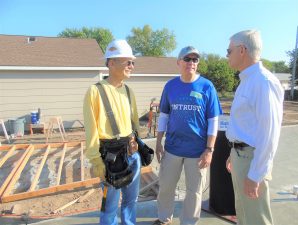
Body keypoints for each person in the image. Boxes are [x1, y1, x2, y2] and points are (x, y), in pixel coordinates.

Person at [153, 46, 223, 225]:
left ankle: (189, 222)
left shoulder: (207, 86)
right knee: (166, 187)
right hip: (172, 148)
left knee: (194, 191)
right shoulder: (170, 86)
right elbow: (164, 116)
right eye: (187, 59)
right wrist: (159, 142)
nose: (191, 63)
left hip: (198, 151)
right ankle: (163, 219)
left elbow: (213, 120)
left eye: (195, 59)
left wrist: (209, 149)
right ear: (178, 62)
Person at [225, 30, 284, 225]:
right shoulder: (248, 80)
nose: (227, 55)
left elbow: (270, 134)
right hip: (241, 156)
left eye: (229, 50)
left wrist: (256, 174)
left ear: (242, 50)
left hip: (252, 161)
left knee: (256, 219)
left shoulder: (263, 82)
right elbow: (245, 125)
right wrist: (233, 152)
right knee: (244, 215)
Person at [83, 39, 141, 225]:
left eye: (133, 62)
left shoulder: (129, 91)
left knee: (131, 202)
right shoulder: (95, 92)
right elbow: (91, 130)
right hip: (111, 159)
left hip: (132, 154)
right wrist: (96, 160)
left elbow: (134, 124)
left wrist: (138, 146)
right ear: (111, 62)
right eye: (128, 62)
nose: (132, 66)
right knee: (110, 206)